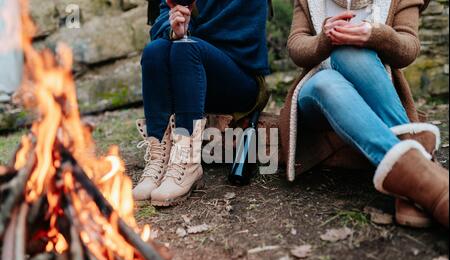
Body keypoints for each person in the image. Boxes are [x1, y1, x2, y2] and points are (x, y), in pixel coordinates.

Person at [279, 0, 448, 228]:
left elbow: (409, 47)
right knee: (326, 81)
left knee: (349, 53)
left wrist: (376, 36)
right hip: (316, 94)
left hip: (373, 88)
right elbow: (296, 46)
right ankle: (434, 185)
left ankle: (415, 183)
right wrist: (324, 39)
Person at [133, 0, 270, 206]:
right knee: (154, 50)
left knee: (186, 48)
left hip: (241, 80)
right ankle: (158, 159)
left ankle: (187, 161)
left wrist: (188, 31)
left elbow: (240, 37)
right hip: (190, 74)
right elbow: (162, 17)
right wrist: (174, 30)